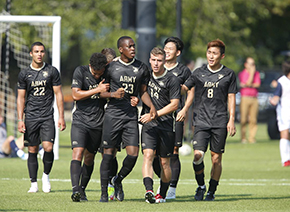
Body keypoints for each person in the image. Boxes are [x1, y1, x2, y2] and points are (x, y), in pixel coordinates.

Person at [99, 36, 157, 202]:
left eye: (134, 46)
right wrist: (113, 94)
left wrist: (150, 105)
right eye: (129, 46)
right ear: (121, 49)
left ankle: (117, 179)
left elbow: (143, 91)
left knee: (133, 154)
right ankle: (104, 193)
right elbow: (101, 91)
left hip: (130, 116)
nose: (133, 49)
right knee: (108, 154)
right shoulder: (110, 68)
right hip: (113, 115)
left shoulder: (141, 68)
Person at [182, 39, 237, 201]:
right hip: (200, 121)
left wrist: (231, 120)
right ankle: (201, 186)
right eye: (209, 53)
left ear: (222, 56)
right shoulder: (198, 72)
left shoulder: (229, 74)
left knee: (216, 158)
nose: (211, 56)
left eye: (214, 53)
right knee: (197, 156)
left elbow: (231, 97)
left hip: (220, 121)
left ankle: (211, 191)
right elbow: (185, 88)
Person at [17, 41, 66, 193]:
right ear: (31, 54)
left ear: (44, 53)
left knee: (48, 147)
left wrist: (61, 116)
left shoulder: (52, 71)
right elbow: (21, 98)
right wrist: (20, 119)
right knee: (32, 149)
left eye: (42, 51)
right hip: (30, 117)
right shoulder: (24, 74)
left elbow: (58, 94)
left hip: (47, 117)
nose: (39, 54)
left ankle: (45, 176)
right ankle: (33, 183)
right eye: (36, 51)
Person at [152, 37, 192, 200]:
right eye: (165, 48)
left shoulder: (183, 71)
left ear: (178, 52)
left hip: (174, 116)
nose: (167, 51)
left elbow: (191, 91)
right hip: (155, 117)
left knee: (173, 152)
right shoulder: (156, 67)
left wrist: (185, 109)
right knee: (153, 154)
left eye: (170, 48)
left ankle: (172, 189)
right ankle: (165, 179)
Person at [70, 53, 112, 202]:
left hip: (98, 123)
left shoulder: (107, 74)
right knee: (78, 153)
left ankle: (82, 190)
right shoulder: (80, 71)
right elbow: (75, 95)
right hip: (80, 121)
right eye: (95, 73)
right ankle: (75, 190)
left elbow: (109, 94)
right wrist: (97, 89)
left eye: (99, 73)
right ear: (90, 66)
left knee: (89, 158)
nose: (97, 75)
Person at [140, 47, 180, 203]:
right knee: (148, 155)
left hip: (166, 125)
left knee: (164, 162)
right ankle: (149, 190)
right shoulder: (145, 76)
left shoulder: (173, 79)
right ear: (150, 60)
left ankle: (162, 194)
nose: (156, 64)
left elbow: (175, 105)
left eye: (159, 61)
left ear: (164, 61)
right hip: (149, 126)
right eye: (153, 60)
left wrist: (154, 114)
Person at [270, 61, 290, 167]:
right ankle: (285, 159)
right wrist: (273, 101)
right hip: (284, 112)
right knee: (285, 134)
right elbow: (276, 97)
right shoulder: (282, 82)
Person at [238, 57, 261, 143]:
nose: (252, 66)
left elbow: (257, 84)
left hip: (254, 98)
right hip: (245, 97)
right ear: (246, 64)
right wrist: (251, 74)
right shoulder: (242, 73)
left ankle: (252, 138)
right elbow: (248, 82)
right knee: (243, 119)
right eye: (250, 64)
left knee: (253, 119)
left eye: (253, 64)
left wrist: (249, 84)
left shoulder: (257, 74)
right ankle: (243, 137)